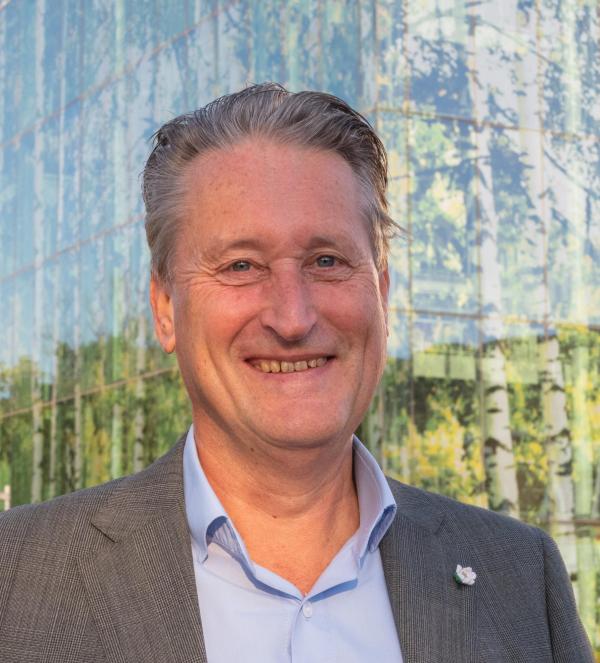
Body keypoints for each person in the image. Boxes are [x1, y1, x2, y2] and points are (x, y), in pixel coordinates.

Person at [0, 83, 592, 663]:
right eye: (241, 266)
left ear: (382, 294)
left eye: (327, 260)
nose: (292, 317)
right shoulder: (17, 581)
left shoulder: (521, 579)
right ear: (164, 309)